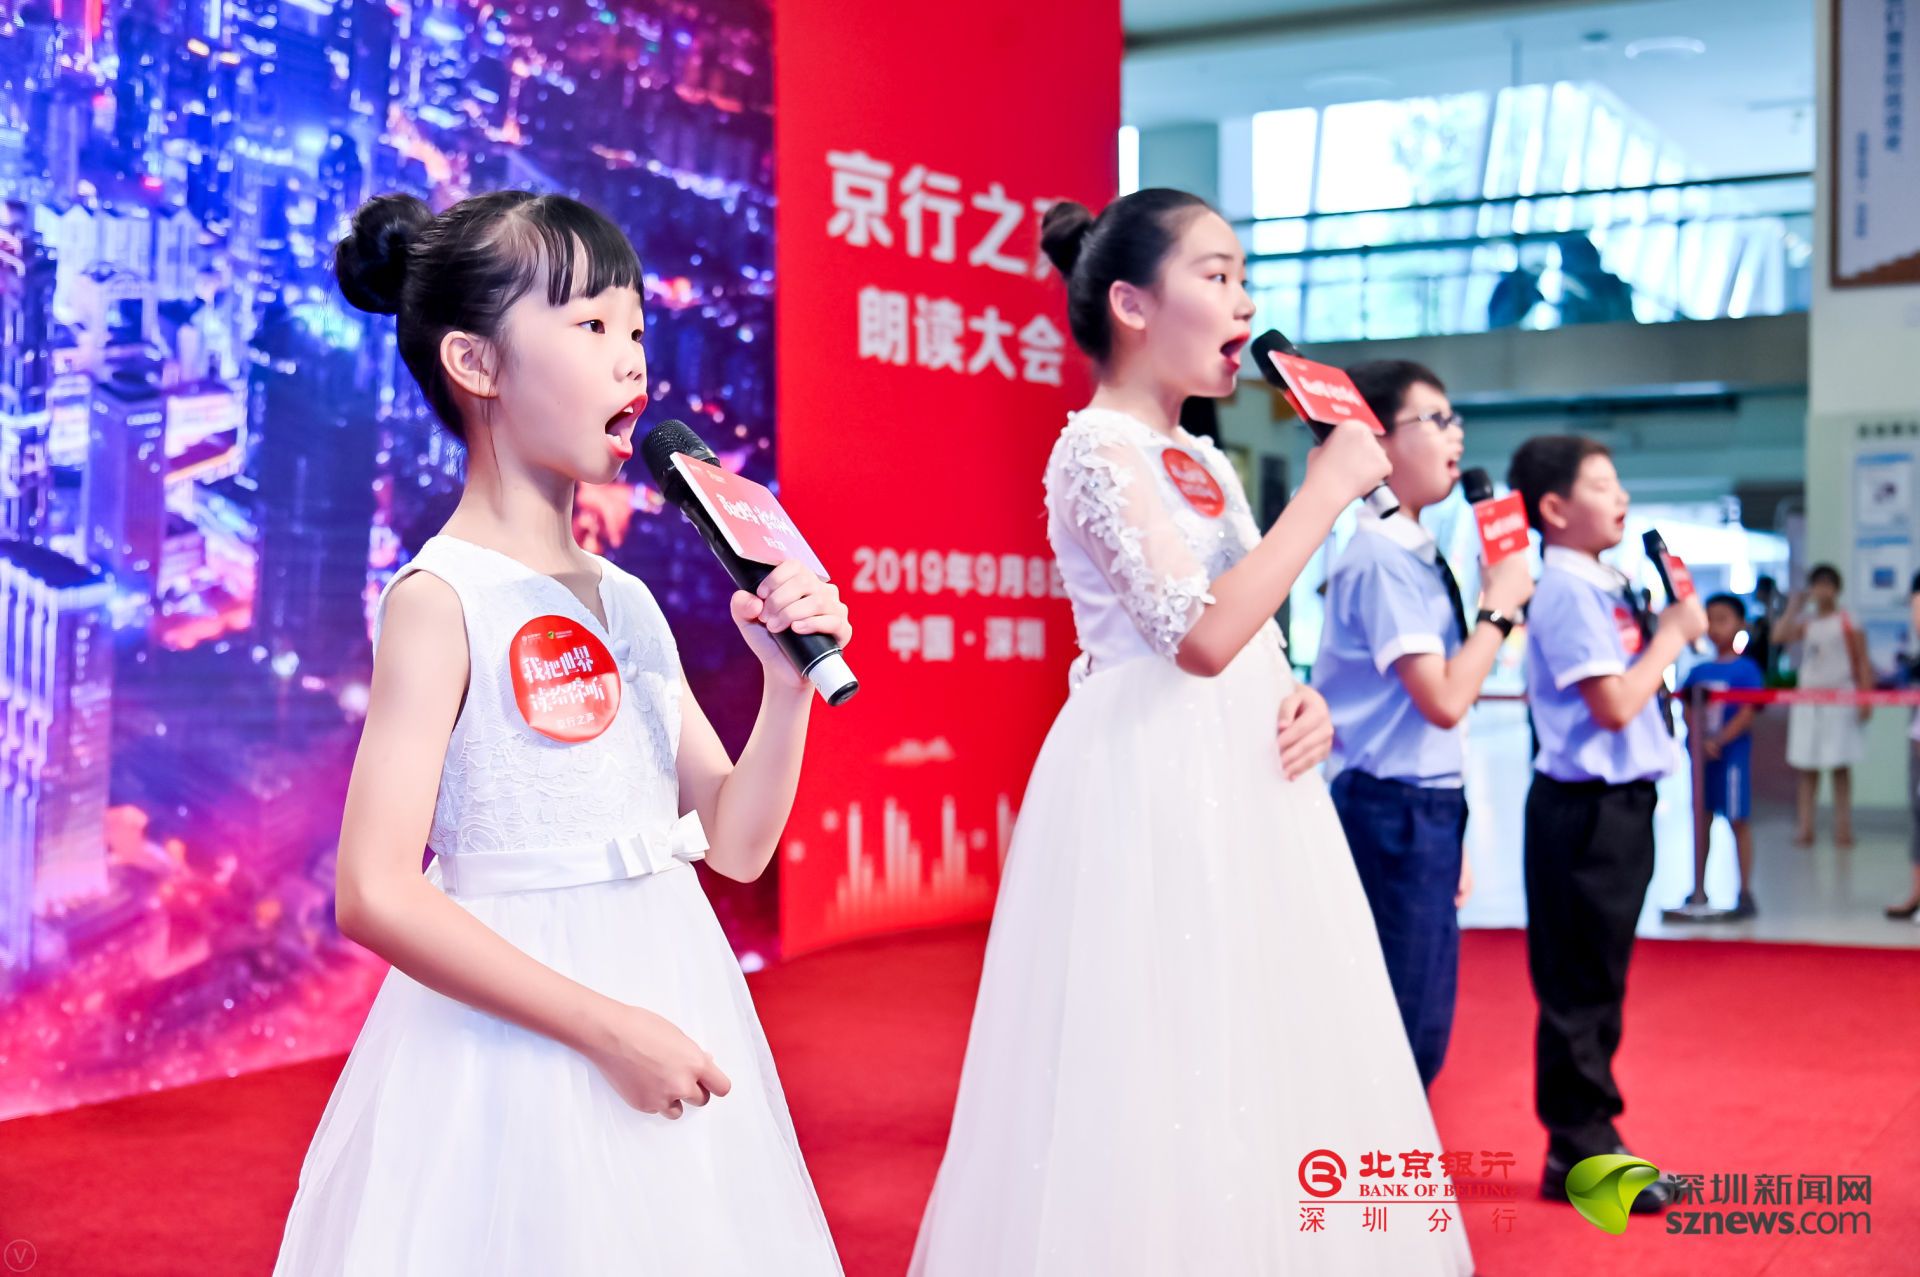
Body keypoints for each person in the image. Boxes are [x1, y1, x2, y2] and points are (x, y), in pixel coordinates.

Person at [274, 191, 848, 1275]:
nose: (632, 359)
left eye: (636, 328)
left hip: (671, 985)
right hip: (513, 1040)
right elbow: (375, 890)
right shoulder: (441, 598)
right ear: (475, 363)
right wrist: (605, 1028)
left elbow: (736, 843)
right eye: (591, 325)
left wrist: (786, 688)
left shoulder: (627, 599)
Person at [909, 190, 1473, 1276]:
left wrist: (1300, 691)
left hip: (1254, 772)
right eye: (1217, 276)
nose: (1244, 302)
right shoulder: (1095, 448)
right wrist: (1325, 491)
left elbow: (1250, 626)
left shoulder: (1206, 460)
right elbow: (1198, 635)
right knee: (1160, 1038)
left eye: (1243, 277)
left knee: (1270, 1029)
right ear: (1132, 303)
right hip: (1149, 777)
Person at [1313, 359, 1534, 1087]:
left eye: (1454, 418)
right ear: (1376, 438)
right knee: (1403, 1028)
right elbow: (1441, 698)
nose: (1455, 434)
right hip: (1389, 806)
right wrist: (1499, 609)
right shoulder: (1380, 557)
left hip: (1423, 803)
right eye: (1434, 419)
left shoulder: (1414, 546)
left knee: (1422, 1015)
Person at [1507, 434, 1706, 1214]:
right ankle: (1580, 1148)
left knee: (1600, 980)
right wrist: (1672, 635)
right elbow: (1615, 702)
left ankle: (1589, 1139)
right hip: (1582, 809)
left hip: (1619, 804)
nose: (1619, 496)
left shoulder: (1606, 580)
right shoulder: (1564, 588)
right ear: (1555, 508)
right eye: (1600, 484)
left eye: (1618, 482)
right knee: (1579, 987)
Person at [1664, 593, 1764, 921]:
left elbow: (1748, 712)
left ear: (1740, 625)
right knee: (1701, 822)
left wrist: (1719, 739)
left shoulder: (1747, 669)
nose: (1716, 627)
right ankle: (1698, 888)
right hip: (1702, 761)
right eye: (1711, 620)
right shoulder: (1698, 670)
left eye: (1723, 620)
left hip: (1732, 758)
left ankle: (1744, 892)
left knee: (1738, 821)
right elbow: (1687, 707)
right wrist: (1700, 741)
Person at [1775, 565, 1871, 847]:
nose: (1822, 590)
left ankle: (1843, 828)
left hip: (1840, 697)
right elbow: (1779, 637)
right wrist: (1794, 606)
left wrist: (1865, 698)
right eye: (1818, 584)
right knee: (1807, 766)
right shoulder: (1807, 621)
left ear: (1837, 589)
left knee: (1840, 765)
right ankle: (1806, 827)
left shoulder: (1848, 620)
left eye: (1828, 584)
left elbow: (1862, 660)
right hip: (1809, 699)